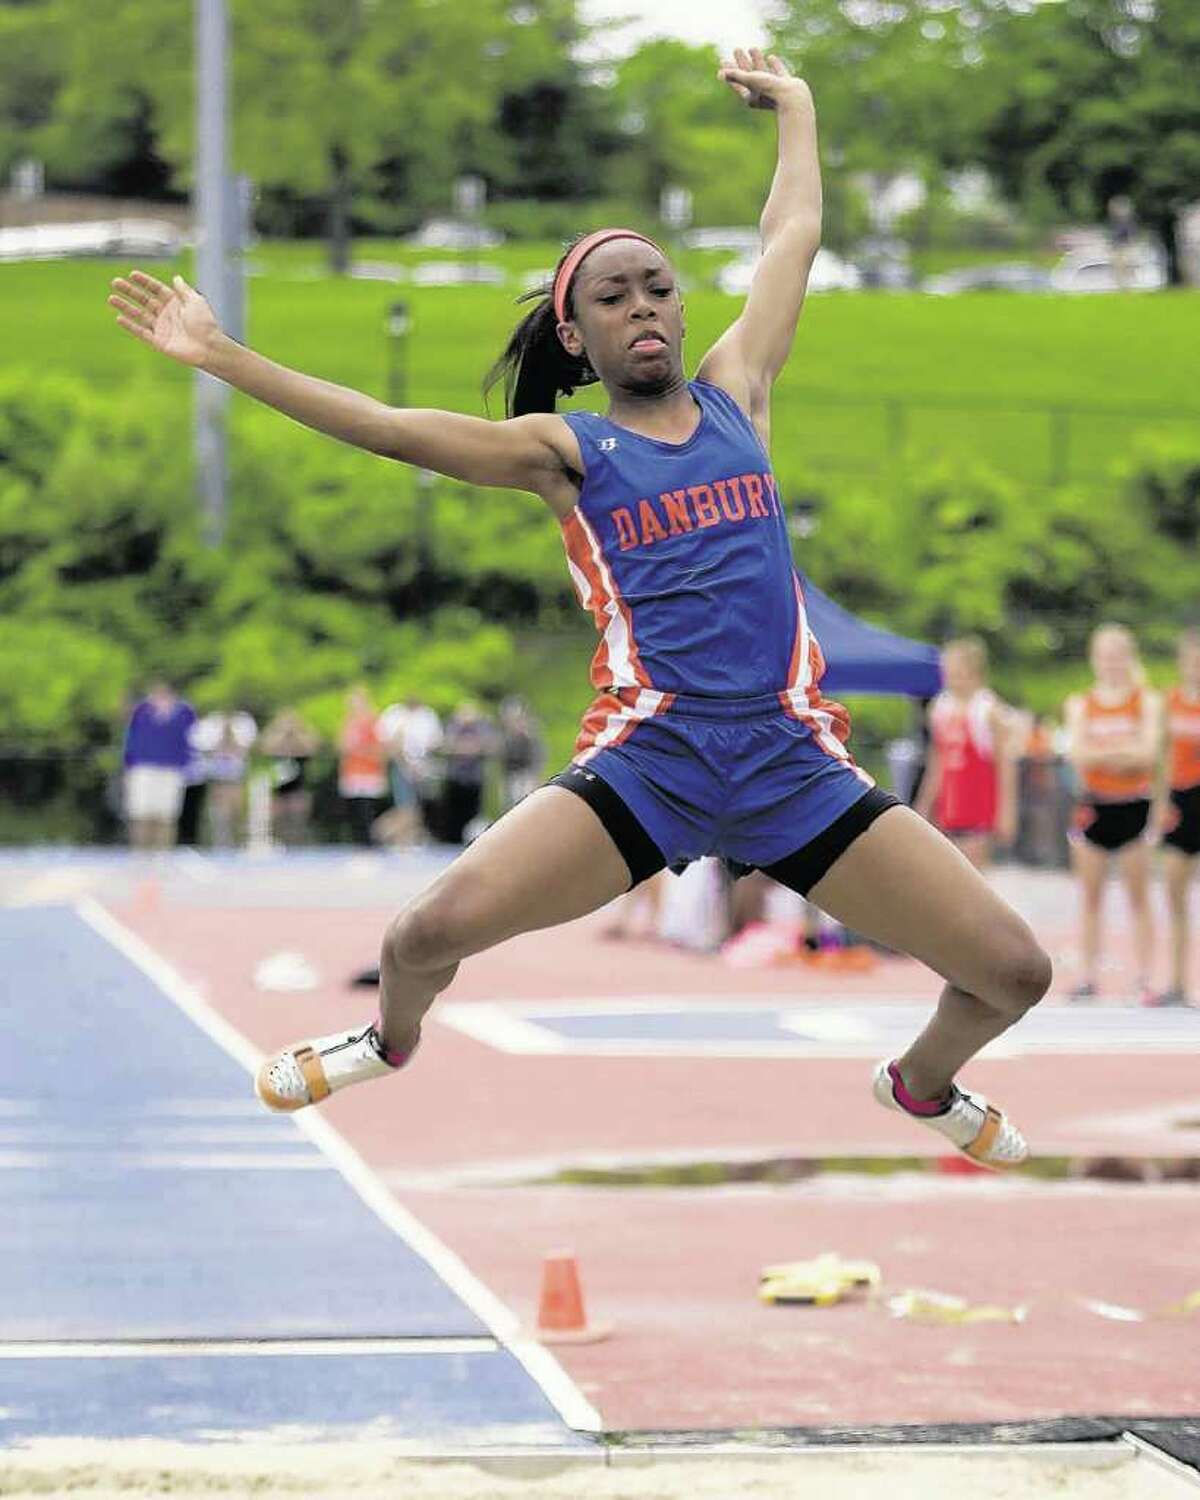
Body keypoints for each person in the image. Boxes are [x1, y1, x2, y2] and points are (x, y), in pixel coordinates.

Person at [108, 47, 1049, 1169]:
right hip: (650, 761)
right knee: (423, 934)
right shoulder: (567, 450)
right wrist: (220, 355)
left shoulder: (738, 395)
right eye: (615, 296)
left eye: (658, 287)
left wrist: (797, 109)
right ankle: (386, 1042)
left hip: (792, 762)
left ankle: (922, 1081)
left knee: (1015, 971)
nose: (644, 307)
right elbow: (386, 425)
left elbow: (790, 237)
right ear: (577, 335)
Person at [1063, 624, 1161, 1004]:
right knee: (1090, 896)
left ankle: (1144, 976)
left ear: (1129, 657)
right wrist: (1123, 751)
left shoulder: (1145, 701)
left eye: (1118, 655)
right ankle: (1087, 975)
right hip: (1094, 805)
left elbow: (1148, 753)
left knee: (1139, 896)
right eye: (1105, 656)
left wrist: (1106, 753)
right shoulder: (1080, 703)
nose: (1112, 664)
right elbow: (1079, 755)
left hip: (1134, 805)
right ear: (1094, 659)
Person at [914, 637, 1018, 870]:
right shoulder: (939, 709)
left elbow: (1005, 765)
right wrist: (923, 806)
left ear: (975, 673)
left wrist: (1006, 813)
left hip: (979, 808)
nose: (951, 678)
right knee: (947, 872)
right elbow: (936, 763)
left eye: (958, 672)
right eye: (948, 672)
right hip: (949, 807)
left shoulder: (989, 710)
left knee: (972, 872)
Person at [1154, 629, 1200, 1006]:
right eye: (1191, 659)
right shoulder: (1170, 702)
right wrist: (1159, 806)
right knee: (1175, 895)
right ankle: (1177, 981)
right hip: (1180, 801)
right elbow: (1163, 758)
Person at [121, 680, 197, 851]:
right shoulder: (141, 711)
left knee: (167, 815)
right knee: (141, 813)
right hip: (143, 767)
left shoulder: (184, 712)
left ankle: (163, 853)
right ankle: (140, 852)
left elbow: (192, 739)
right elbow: (130, 738)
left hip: (171, 768)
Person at [192, 708, 258, 848]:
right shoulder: (209, 728)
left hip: (236, 779)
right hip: (217, 780)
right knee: (219, 817)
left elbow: (244, 750)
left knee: (237, 814)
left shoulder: (243, 726)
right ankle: (217, 844)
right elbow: (204, 749)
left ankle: (240, 844)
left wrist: (231, 734)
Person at [258, 709, 321, 847]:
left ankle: (299, 845)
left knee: (299, 820)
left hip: (299, 788)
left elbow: (312, 747)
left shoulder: (302, 739)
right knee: (277, 821)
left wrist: (296, 731)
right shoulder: (276, 740)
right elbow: (265, 747)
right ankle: (280, 844)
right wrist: (281, 731)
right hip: (278, 790)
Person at [337, 685, 388, 846]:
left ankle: (369, 842)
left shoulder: (373, 721)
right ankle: (358, 840)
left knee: (368, 808)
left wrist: (361, 750)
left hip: (369, 771)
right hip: (351, 771)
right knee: (354, 808)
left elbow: (380, 749)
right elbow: (341, 747)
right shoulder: (348, 722)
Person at [498, 696, 545, 811]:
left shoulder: (531, 735)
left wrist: (535, 777)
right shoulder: (506, 737)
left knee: (524, 805)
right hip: (510, 775)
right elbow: (502, 758)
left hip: (526, 775)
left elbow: (537, 756)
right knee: (508, 806)